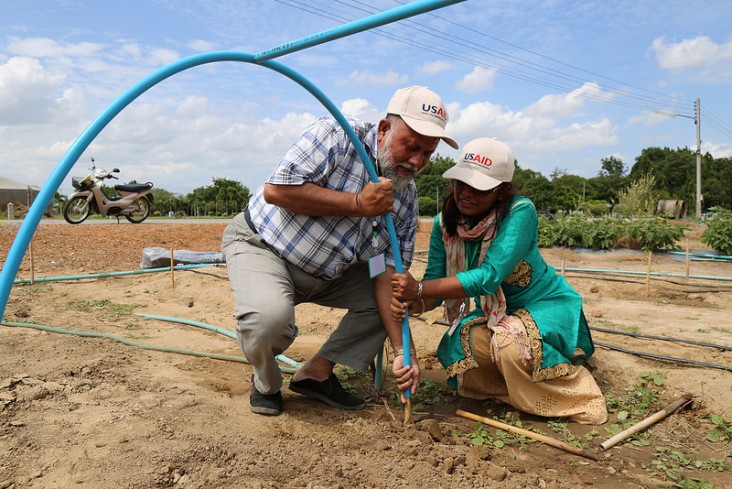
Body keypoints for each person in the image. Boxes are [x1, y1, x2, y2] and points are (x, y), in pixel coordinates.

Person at [222, 86, 458, 416]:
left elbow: (386, 274)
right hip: (265, 247)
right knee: (268, 319)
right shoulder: (336, 135)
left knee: (386, 300)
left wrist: (404, 350)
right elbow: (276, 190)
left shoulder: (404, 198)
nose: (417, 161)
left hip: (331, 274)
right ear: (385, 129)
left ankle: (316, 373)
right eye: (412, 146)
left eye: (428, 153)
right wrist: (358, 204)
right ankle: (266, 381)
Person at [390, 137, 608, 425]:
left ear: (501, 192)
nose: (465, 193)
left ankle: (576, 395)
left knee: (510, 343)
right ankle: (515, 391)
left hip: (544, 305)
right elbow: (435, 284)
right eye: (460, 183)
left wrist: (418, 288)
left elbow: (489, 277)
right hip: (498, 312)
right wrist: (415, 303)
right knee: (465, 340)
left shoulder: (520, 212)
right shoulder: (445, 223)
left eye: (478, 188)